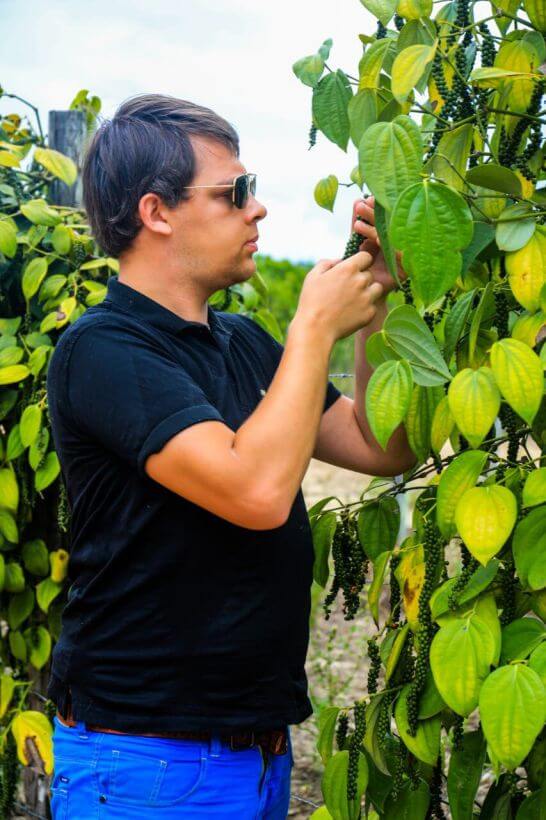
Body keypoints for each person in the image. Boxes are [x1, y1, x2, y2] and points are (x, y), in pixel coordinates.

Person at [46, 93, 415, 819]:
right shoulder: (103, 350)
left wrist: (380, 302)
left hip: (254, 757)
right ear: (156, 212)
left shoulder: (243, 343)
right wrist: (313, 325)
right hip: (147, 766)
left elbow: (381, 445)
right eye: (234, 193)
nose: (258, 209)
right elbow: (255, 493)